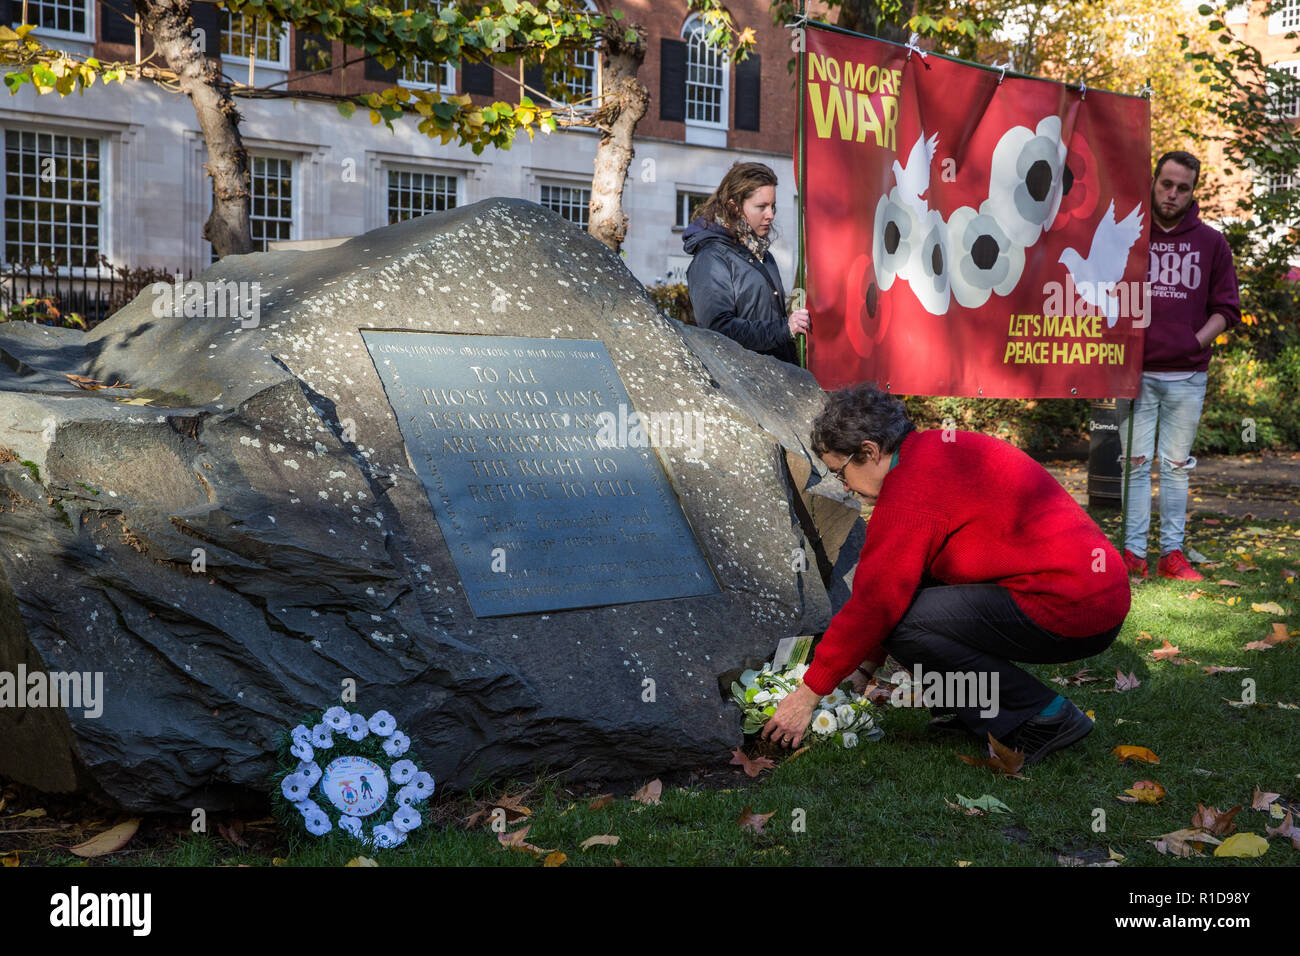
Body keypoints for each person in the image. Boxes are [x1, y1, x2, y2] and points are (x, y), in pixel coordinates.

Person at [761, 385, 1131, 764]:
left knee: (905, 626)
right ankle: (982, 711)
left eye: (842, 472)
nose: (846, 487)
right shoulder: (934, 450)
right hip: (1094, 594)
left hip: (1073, 606)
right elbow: (912, 580)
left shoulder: (909, 490)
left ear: (870, 451)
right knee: (913, 614)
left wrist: (807, 695)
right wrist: (865, 666)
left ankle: (1045, 716)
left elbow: (878, 602)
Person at [1119, 151, 1242, 582]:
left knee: (1174, 468)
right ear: (1153, 182)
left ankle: (1172, 554)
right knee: (1134, 464)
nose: (1172, 194)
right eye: (1166, 184)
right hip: (1133, 375)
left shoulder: (1211, 242)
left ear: (1193, 192)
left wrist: (1194, 342)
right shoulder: (1128, 236)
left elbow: (1226, 308)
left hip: (1187, 377)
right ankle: (1133, 555)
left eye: (1182, 188)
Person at [681, 162, 810, 365]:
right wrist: (784, 329)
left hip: (778, 380)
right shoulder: (711, 258)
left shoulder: (764, 255)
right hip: (744, 386)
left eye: (772, 206)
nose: (771, 215)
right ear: (734, 207)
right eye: (761, 207)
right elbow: (718, 330)